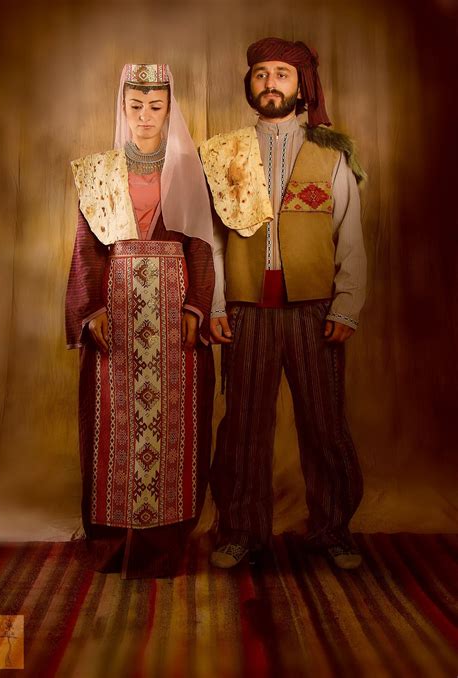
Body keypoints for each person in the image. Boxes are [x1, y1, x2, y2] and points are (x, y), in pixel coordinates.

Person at [200, 38, 367, 570]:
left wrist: (346, 307)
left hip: (314, 311)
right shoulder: (225, 155)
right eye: (260, 74)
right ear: (249, 84)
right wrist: (217, 305)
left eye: (282, 75)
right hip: (247, 310)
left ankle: (332, 529)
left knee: (324, 422)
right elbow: (214, 240)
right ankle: (242, 530)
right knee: (244, 423)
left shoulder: (332, 154)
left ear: (302, 87)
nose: (270, 82)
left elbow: (352, 238)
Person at [65, 63, 215, 578]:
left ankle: (164, 546)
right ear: (122, 108)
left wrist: (197, 307)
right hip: (118, 311)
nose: (146, 116)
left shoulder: (190, 169)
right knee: (112, 425)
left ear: (169, 107)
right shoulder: (99, 171)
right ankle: (110, 543)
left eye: (155, 106)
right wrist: (92, 310)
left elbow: (201, 246)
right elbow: (87, 249)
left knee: (175, 426)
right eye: (136, 106)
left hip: (174, 313)